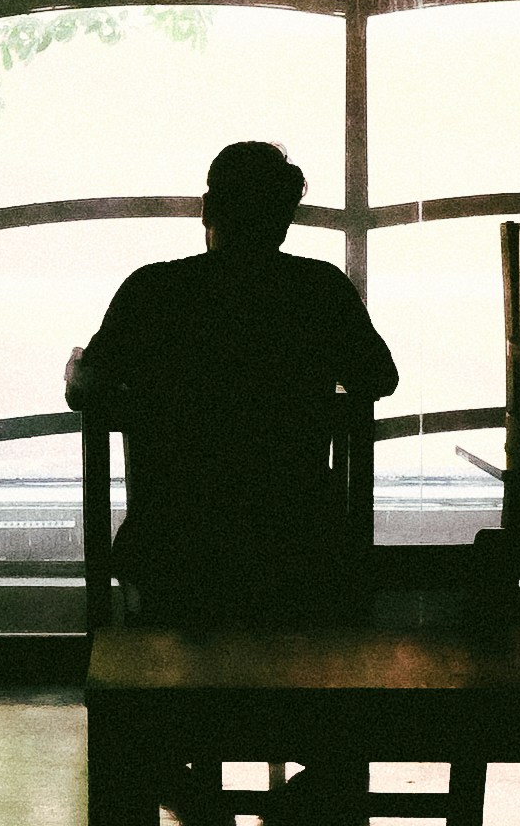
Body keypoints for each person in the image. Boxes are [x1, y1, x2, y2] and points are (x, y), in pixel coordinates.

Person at [66, 139, 398, 628]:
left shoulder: (154, 292)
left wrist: (77, 365)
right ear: (284, 218)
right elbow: (379, 377)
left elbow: (88, 391)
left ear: (207, 209)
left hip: (174, 544)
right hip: (297, 539)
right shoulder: (320, 291)